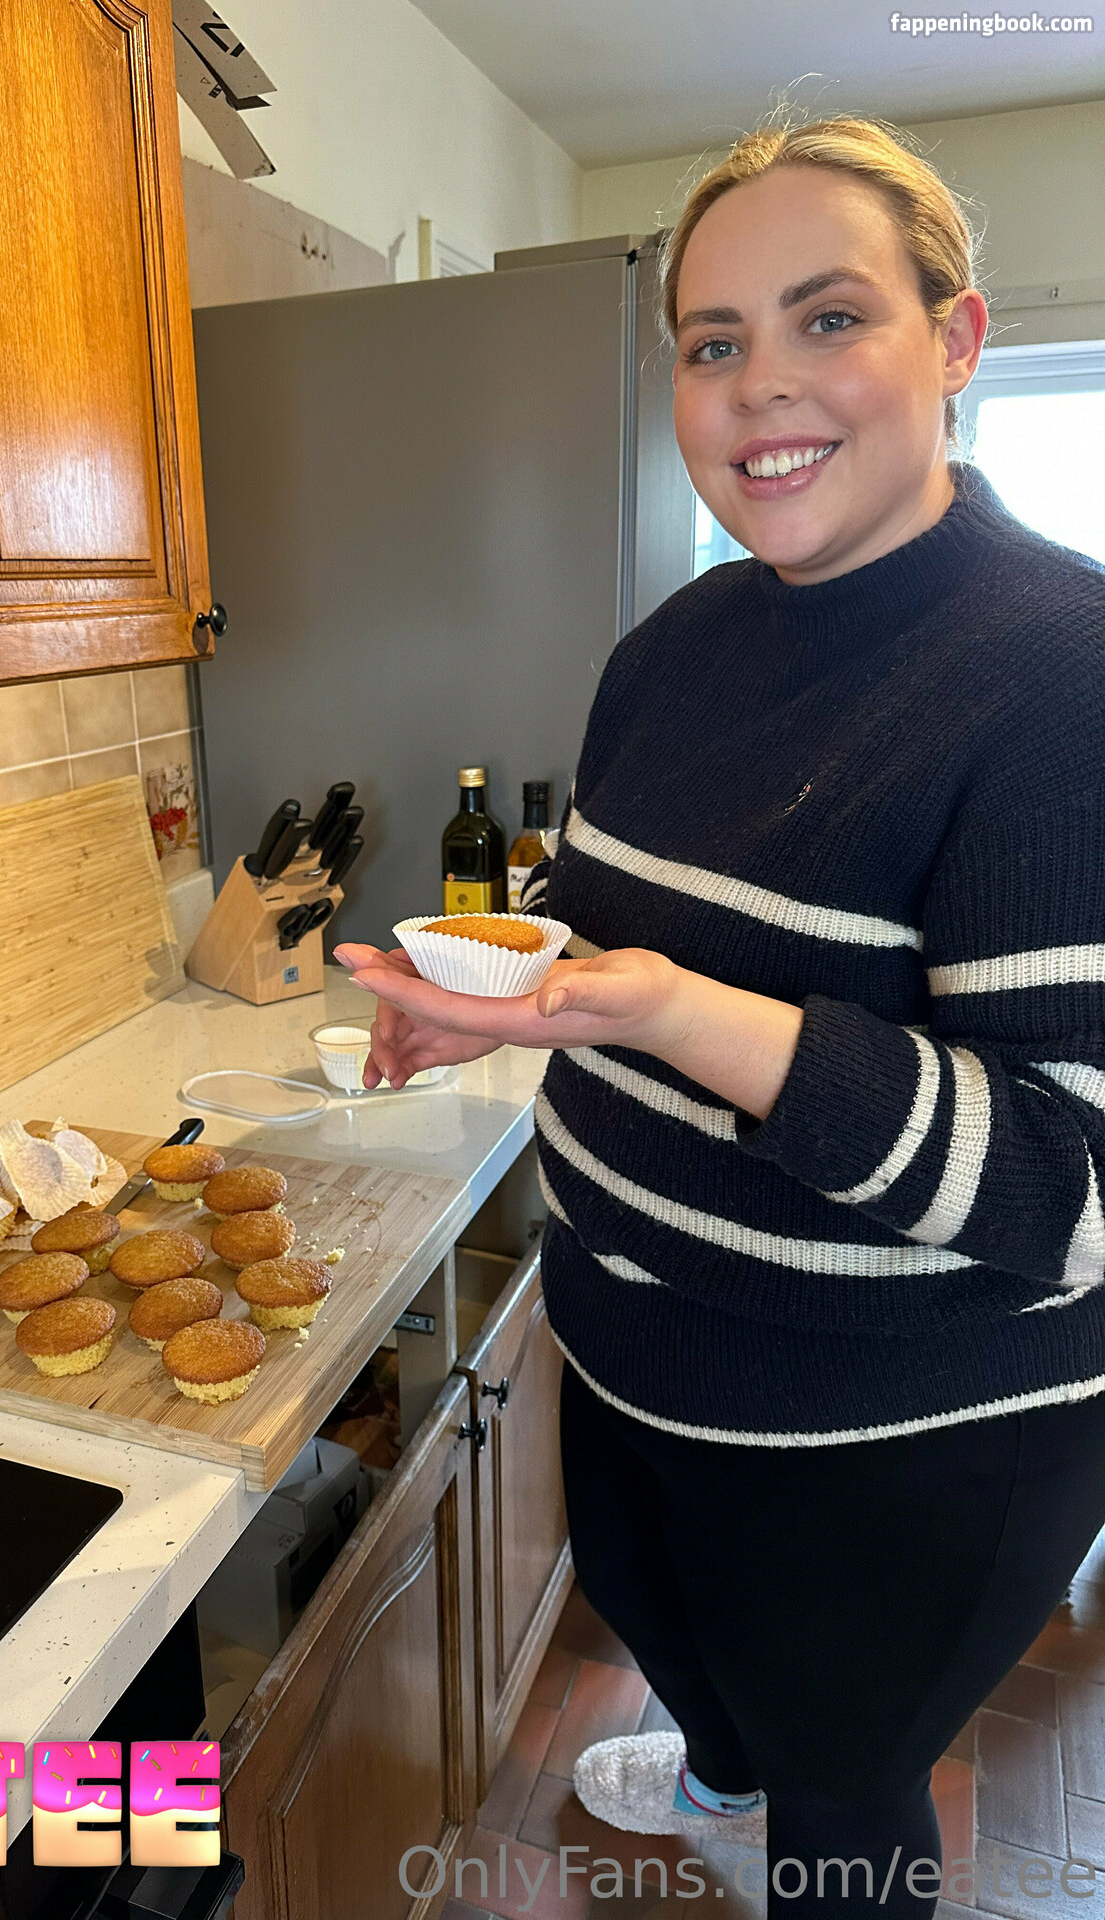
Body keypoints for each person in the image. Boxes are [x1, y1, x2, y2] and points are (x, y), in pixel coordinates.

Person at [335, 115, 1105, 1917]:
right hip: (629, 1343)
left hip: (892, 1442)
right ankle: (720, 1774)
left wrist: (684, 1016)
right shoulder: (677, 646)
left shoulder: (1058, 677)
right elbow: (609, 915)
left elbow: (1070, 1190)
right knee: (675, 1644)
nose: (763, 387)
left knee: (848, 1796)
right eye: (712, 341)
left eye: (831, 318)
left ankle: (787, 1812)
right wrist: (502, 997)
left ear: (958, 340)